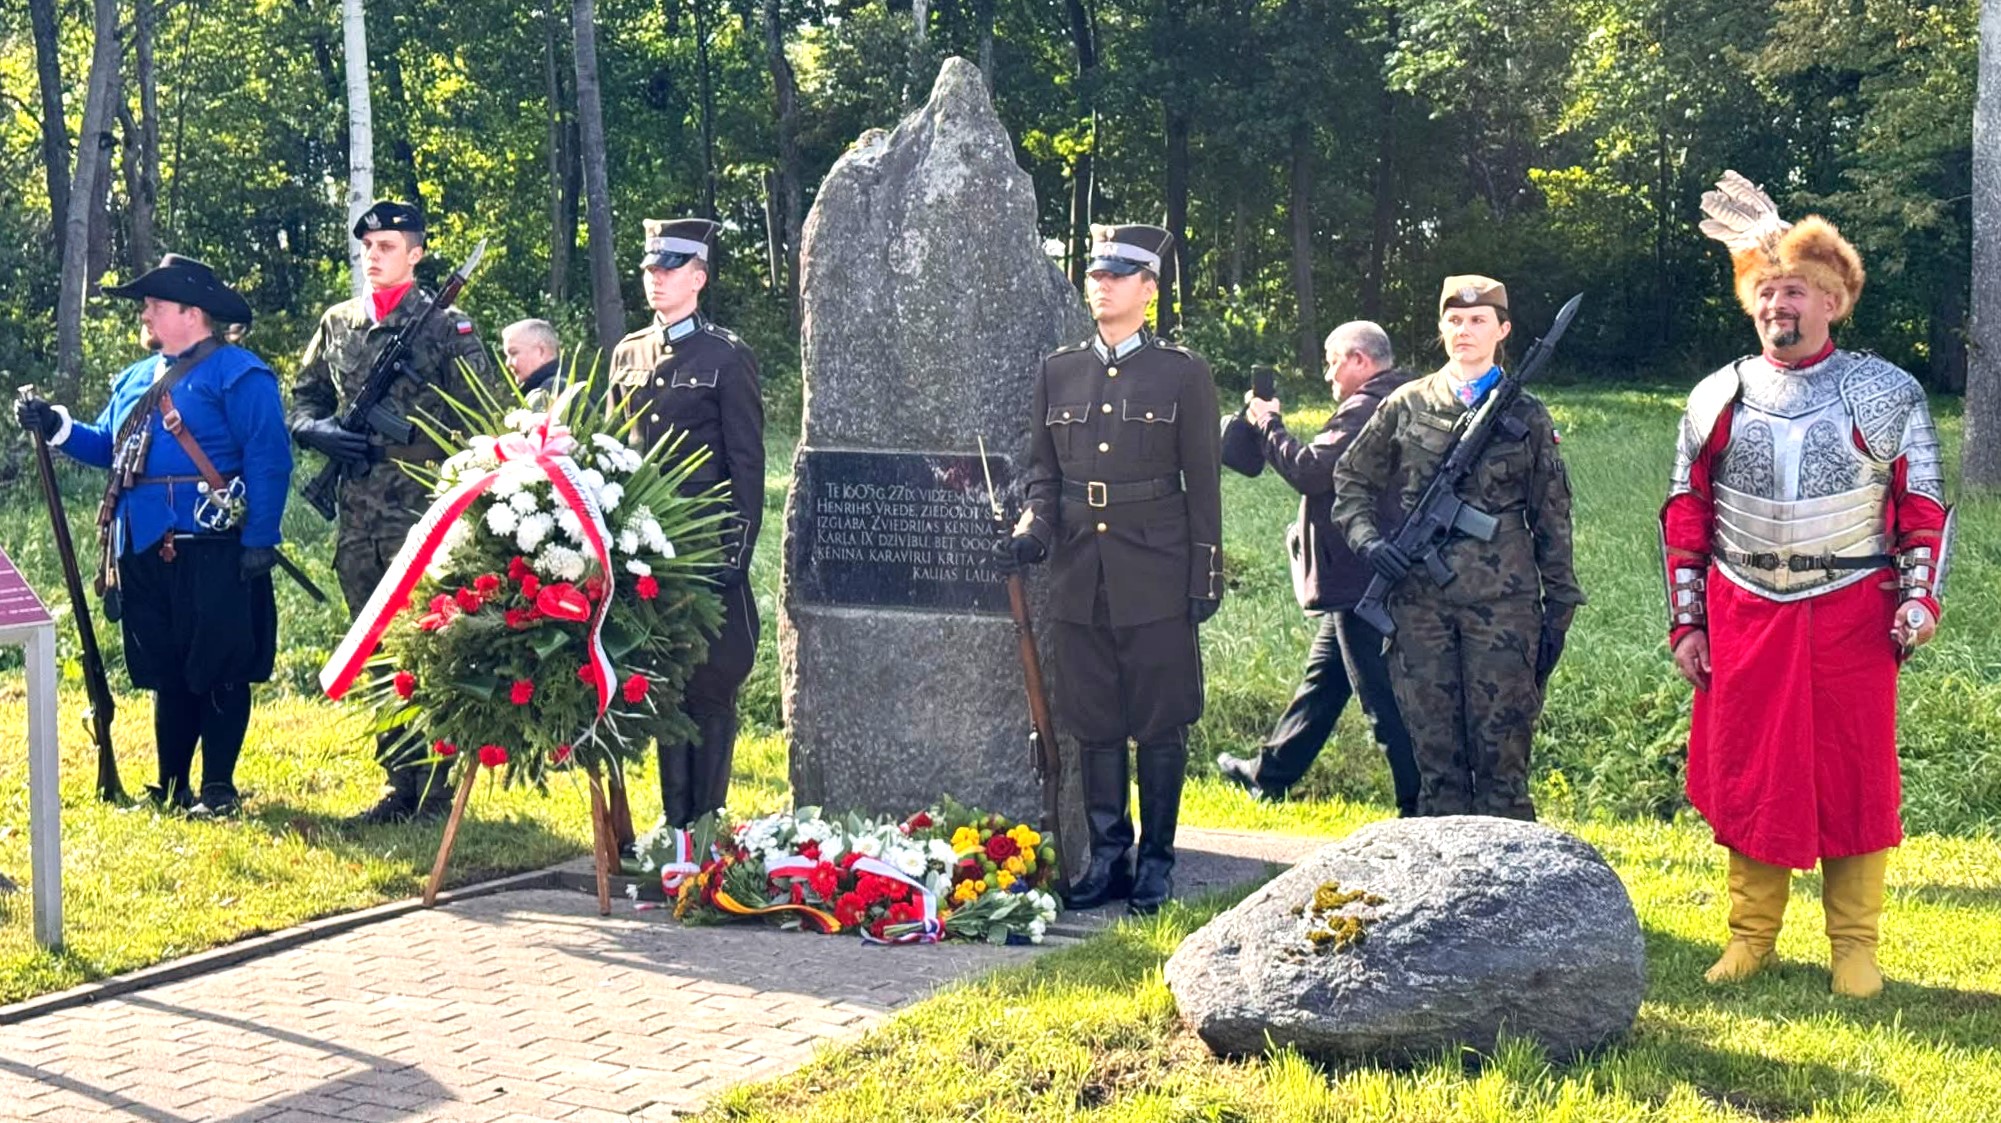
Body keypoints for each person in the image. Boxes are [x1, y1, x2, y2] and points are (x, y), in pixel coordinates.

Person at [1665, 173, 1950, 998]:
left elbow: (1922, 506)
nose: (1773, 303)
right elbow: (1685, 513)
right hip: (1742, 609)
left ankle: (1853, 946)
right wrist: (1687, 622)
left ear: (1832, 299)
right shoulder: (1715, 394)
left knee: (1852, 773)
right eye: (1763, 290)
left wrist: (1917, 596)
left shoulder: (1885, 392)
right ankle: (1749, 936)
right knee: (1750, 769)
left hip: (1851, 611)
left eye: (1791, 289)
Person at [15, 254, 292, 818]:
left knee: (219, 666)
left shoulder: (240, 373)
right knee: (168, 670)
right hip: (141, 543)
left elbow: (269, 457)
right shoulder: (135, 379)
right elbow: (106, 447)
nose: (144, 313)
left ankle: (218, 789)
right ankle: (171, 787)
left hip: (214, 544)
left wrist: (260, 537)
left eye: (155, 303)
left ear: (192, 312)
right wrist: (56, 425)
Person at [1007, 223, 1223, 915]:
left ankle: (1156, 862)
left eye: (1118, 275)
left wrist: (1204, 574)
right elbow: (1043, 473)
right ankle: (1108, 858)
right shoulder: (1058, 370)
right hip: (1079, 571)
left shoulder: (1181, 373)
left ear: (1149, 289)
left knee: (1160, 722)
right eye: (1095, 273)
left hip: (1155, 571)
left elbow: (1203, 483)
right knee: (1092, 719)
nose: (1100, 284)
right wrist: (1034, 530)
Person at [1329, 276, 1583, 821]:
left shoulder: (1526, 415)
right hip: (1419, 608)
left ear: (1502, 330)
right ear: (1442, 328)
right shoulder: (1407, 404)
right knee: (1436, 764)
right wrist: (1369, 543)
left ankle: (1514, 871)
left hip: (1504, 608)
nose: (1465, 330)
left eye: (1478, 321)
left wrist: (1559, 605)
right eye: (1455, 320)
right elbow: (1350, 480)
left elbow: (1552, 515)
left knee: (1502, 766)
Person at [289, 200, 497, 824]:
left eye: (387, 246)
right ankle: (400, 781)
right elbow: (304, 398)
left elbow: (485, 414)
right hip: (358, 511)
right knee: (374, 645)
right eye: (368, 246)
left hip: (423, 511)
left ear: (416, 254)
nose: (373, 256)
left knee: (427, 645)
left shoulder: (447, 327)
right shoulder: (340, 323)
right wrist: (317, 431)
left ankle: (433, 786)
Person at [1215, 322, 1419, 813]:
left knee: (1379, 699)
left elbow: (1311, 471)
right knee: (1324, 682)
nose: (1328, 374)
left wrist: (1268, 423)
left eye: (1332, 362)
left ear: (1359, 360)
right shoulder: (1401, 398)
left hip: (1359, 575)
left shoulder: (1366, 408)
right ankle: (1269, 775)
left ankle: (1419, 807)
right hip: (1365, 571)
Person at [609, 217, 766, 829]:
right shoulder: (628, 353)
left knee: (711, 682)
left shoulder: (726, 355)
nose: (656, 279)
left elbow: (747, 462)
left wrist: (736, 552)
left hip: (704, 547)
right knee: (662, 683)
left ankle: (706, 822)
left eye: (669, 269)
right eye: (650, 269)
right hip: (646, 549)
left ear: (698, 278)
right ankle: (673, 825)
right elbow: (615, 451)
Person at [501, 318, 564, 395]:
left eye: (514, 353)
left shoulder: (552, 391)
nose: (508, 364)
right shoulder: (566, 385)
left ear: (541, 352)